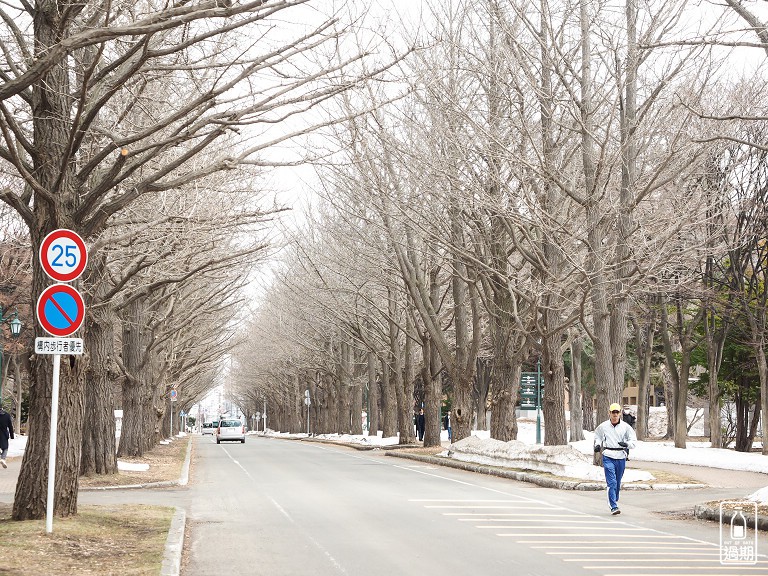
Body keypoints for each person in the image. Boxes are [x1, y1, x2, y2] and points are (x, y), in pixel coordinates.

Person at [594, 402, 636, 515]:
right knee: (611, 482)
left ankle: (614, 496)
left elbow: (633, 442)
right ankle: (613, 506)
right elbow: (597, 435)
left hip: (621, 456)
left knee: (617, 482)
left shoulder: (626, 427)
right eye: (613, 412)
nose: (615, 414)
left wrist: (626, 444)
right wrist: (597, 445)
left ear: (620, 413)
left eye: (617, 412)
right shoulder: (603, 426)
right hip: (608, 455)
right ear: (609, 413)